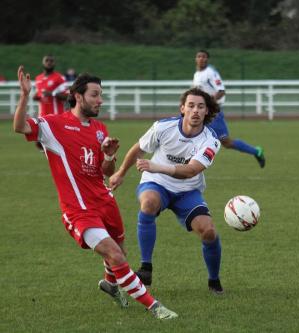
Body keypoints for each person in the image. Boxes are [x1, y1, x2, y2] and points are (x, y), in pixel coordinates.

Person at [13, 66, 178, 320]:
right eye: (95, 95)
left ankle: (111, 285)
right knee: (113, 254)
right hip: (78, 209)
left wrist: (110, 154)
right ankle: (154, 306)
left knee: (120, 253)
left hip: (104, 200)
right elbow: (20, 126)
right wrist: (25, 96)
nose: (100, 100)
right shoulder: (53, 125)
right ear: (78, 96)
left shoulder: (99, 128)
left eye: (101, 95)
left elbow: (104, 170)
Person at [109, 87, 225, 294]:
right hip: (156, 183)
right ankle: (146, 268)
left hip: (187, 190)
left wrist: (157, 166)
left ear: (207, 111)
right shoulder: (163, 127)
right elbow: (139, 148)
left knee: (208, 232)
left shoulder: (211, 140)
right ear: (182, 108)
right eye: (191, 106)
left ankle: (214, 281)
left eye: (200, 106)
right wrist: (120, 172)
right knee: (149, 203)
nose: (195, 111)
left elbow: (191, 171)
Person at [193, 49, 266, 168]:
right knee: (193, 134)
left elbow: (221, 91)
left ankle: (256, 151)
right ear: (195, 59)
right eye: (199, 56)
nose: (201, 58)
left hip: (213, 113)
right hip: (202, 112)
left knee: (226, 142)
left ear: (207, 59)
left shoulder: (211, 72)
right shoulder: (197, 74)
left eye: (204, 56)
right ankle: (187, 164)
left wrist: (209, 104)